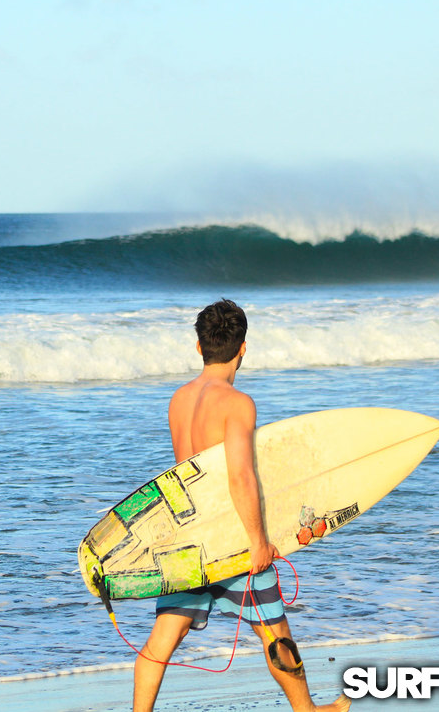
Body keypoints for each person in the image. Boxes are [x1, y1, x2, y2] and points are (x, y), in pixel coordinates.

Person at [133, 299, 350, 712]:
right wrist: (258, 541)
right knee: (276, 636)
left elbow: (185, 475)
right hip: (231, 541)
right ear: (243, 348)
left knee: (163, 639)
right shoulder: (237, 403)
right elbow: (239, 477)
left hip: (188, 540)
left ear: (199, 348)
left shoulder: (179, 399)